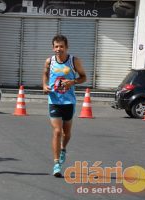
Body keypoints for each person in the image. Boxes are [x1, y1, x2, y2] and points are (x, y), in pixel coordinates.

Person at [42, 34, 86, 177]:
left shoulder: (74, 61)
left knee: (66, 134)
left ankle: (63, 149)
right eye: (56, 46)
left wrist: (72, 82)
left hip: (69, 102)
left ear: (66, 47)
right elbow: (45, 74)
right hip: (54, 100)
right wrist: (44, 85)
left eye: (61, 46)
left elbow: (84, 77)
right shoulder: (49, 61)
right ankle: (56, 164)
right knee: (57, 131)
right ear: (53, 47)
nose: (59, 49)